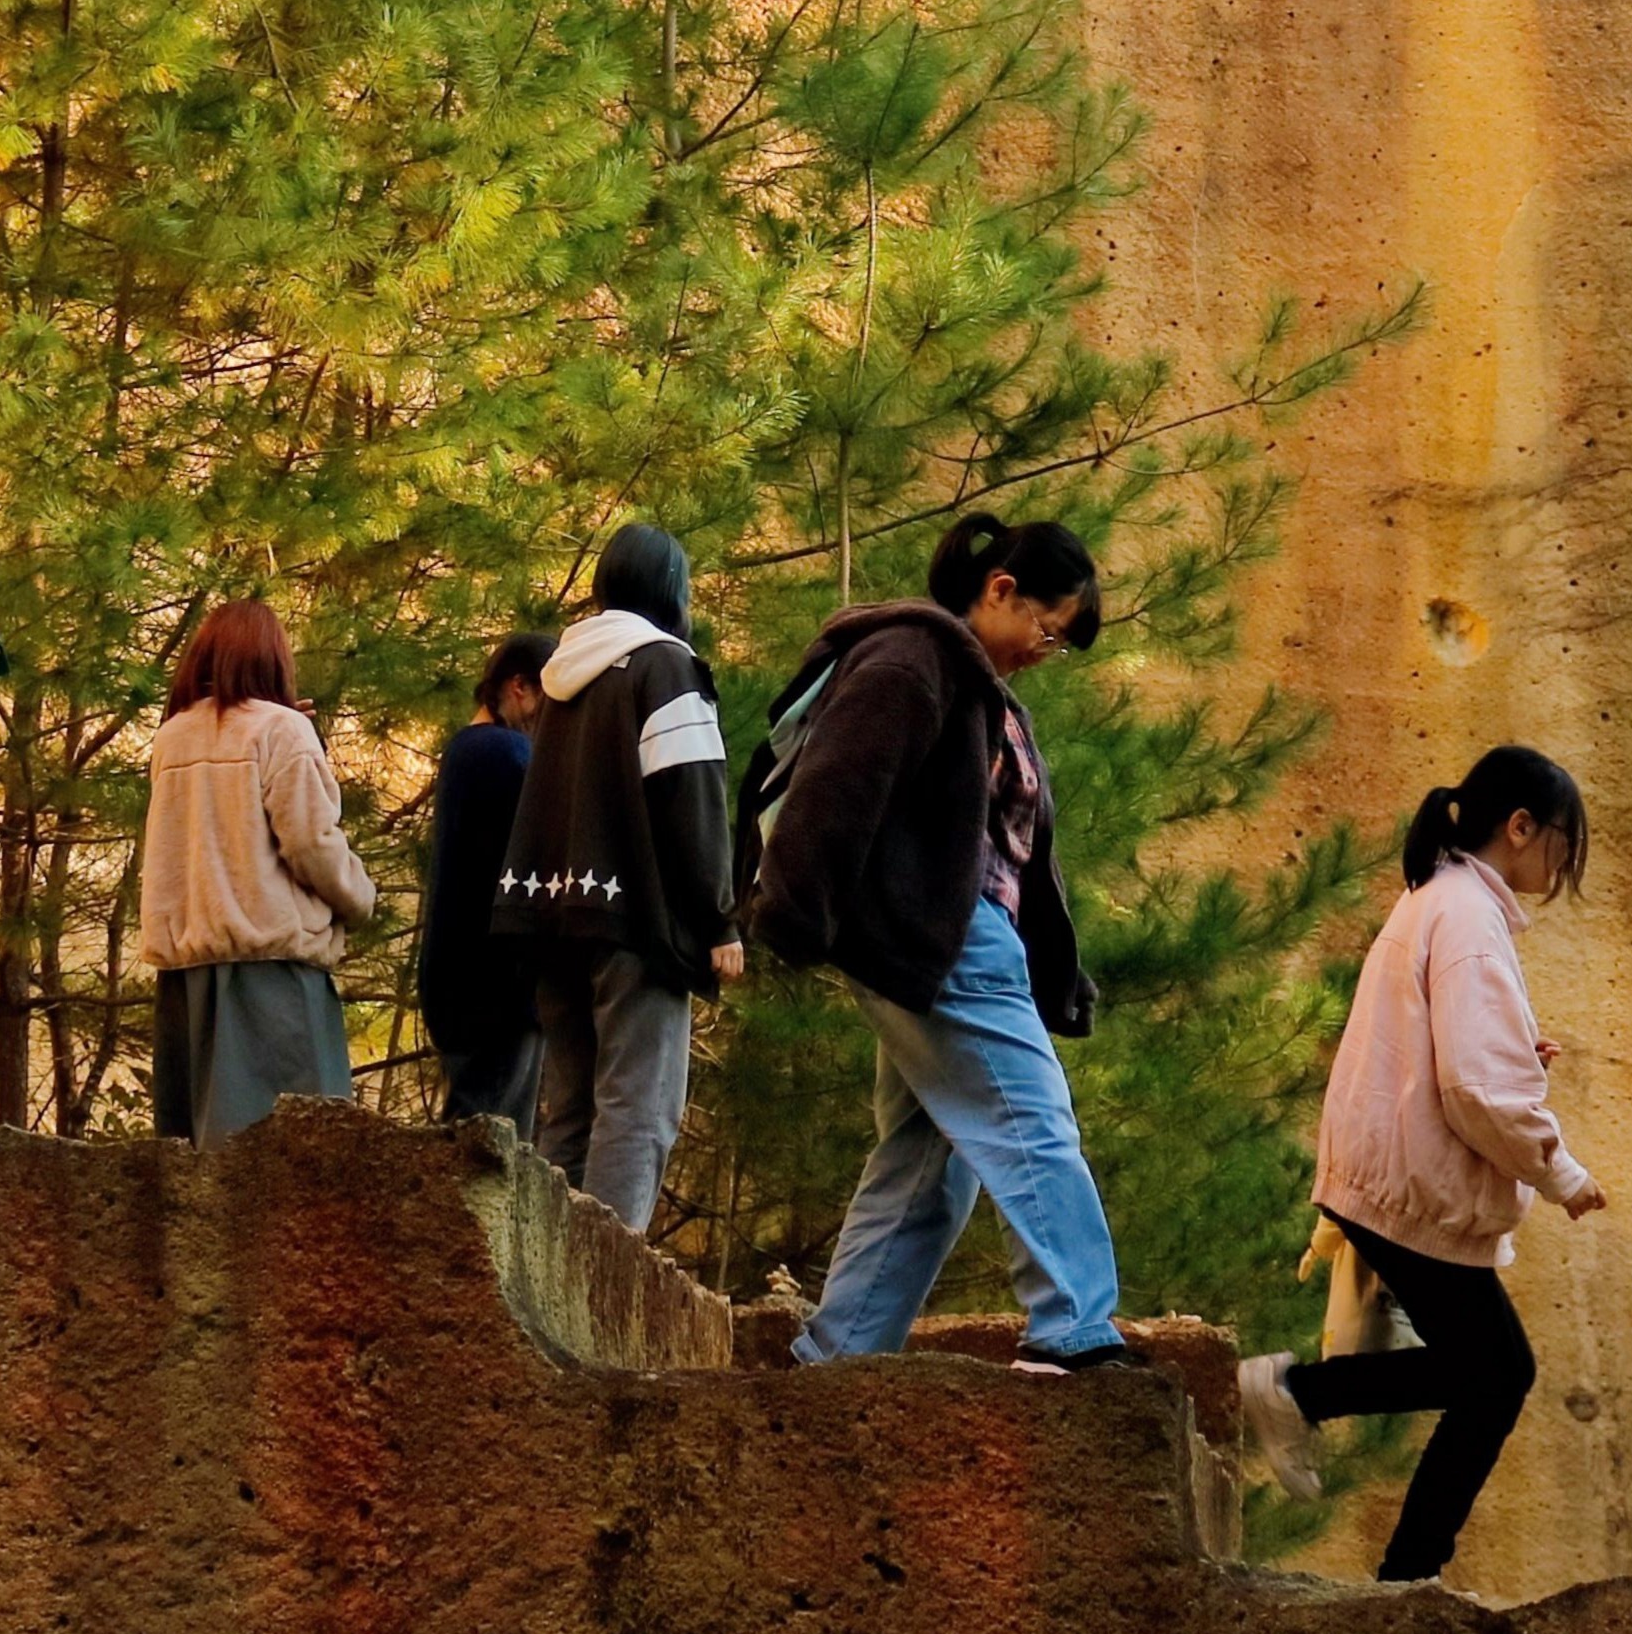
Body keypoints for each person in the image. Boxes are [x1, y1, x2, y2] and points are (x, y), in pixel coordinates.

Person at [748, 511, 1146, 1376]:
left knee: (929, 1166)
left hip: (959, 942)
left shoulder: (977, 689)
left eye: (1064, 642)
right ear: (1000, 590)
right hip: (943, 942)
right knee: (1031, 1123)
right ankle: (1071, 1329)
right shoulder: (912, 659)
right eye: (1050, 627)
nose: (1050, 649)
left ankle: (839, 1356)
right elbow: (837, 786)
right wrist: (791, 911)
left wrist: (1058, 971)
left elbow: (1014, 854)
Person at [1237, 749, 1604, 1583]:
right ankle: (1401, 1566)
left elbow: (1454, 1053)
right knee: (1499, 1375)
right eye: (1561, 842)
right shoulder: (1468, 919)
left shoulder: (1437, 900)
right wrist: (1562, 1173)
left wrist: (1516, 1054)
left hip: (1386, 1171)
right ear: (1519, 828)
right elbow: (1477, 1088)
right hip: (1409, 1180)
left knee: (1485, 1374)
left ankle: (1395, 1551)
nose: (1562, 864)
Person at [491, 525, 743, 1234]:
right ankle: (605, 1294)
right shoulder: (665, 666)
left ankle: (544, 1280)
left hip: (550, 919)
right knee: (638, 1106)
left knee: (567, 1110)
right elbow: (689, 795)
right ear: (672, 589)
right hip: (635, 923)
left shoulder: (562, 676)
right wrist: (717, 920)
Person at [137, 596, 376, 1143]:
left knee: (197, 1160)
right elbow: (312, 843)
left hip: (187, 980)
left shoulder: (171, 736)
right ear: (273, 659)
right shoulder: (282, 732)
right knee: (297, 1160)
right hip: (273, 977)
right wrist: (361, 897)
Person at [417, 633, 555, 1132]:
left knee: (473, 1128)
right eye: (548, 698)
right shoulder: (507, 754)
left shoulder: (464, 752)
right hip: (498, 987)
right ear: (518, 687)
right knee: (488, 1147)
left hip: (455, 983)